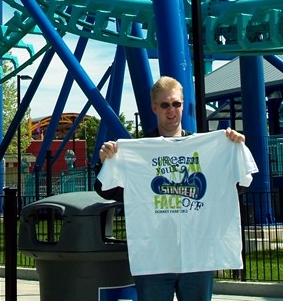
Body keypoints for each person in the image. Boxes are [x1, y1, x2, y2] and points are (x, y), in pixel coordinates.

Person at [95, 76, 255, 301]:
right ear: (154, 108)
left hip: (198, 257)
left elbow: (236, 185)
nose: (172, 110)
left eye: (176, 104)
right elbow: (106, 189)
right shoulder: (137, 151)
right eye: (165, 105)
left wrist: (234, 150)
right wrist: (107, 161)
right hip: (154, 259)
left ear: (183, 104)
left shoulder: (208, 147)